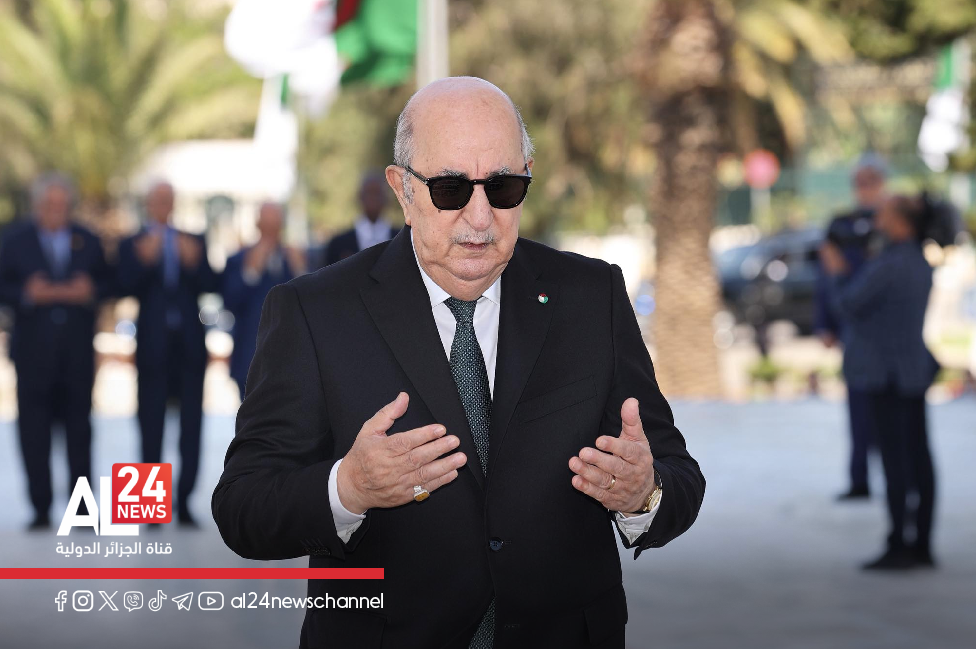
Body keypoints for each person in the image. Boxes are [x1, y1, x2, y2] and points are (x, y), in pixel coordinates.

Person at [213, 77, 705, 648]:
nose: (480, 217)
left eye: (503, 187)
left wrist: (643, 495)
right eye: (450, 189)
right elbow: (243, 507)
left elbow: (678, 476)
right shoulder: (314, 312)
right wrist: (348, 487)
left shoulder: (592, 298)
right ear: (402, 190)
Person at [821, 193, 940, 570]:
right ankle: (921, 543)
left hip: (887, 375)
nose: (876, 220)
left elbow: (848, 303)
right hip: (912, 372)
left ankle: (899, 544)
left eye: (884, 214)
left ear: (901, 222)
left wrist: (837, 270)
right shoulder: (918, 261)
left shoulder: (889, 264)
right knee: (919, 458)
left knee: (895, 462)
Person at [0, 173, 111, 530]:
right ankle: (40, 508)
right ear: (37, 206)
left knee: (80, 433)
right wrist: (28, 293)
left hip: (76, 355)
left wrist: (89, 290)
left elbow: (109, 282)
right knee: (33, 433)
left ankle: (82, 511)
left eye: (62, 206)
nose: (56, 212)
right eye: (50, 205)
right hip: (33, 355)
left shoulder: (88, 239)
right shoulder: (14, 240)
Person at [118, 181, 218, 526]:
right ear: (147, 203)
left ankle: (185, 504)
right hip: (152, 348)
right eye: (157, 199)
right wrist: (143, 261)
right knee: (150, 425)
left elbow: (211, 284)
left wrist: (193, 262)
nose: (162, 205)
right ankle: (148, 509)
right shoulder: (133, 243)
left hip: (189, 348)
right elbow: (121, 285)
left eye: (167, 199)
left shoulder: (193, 240)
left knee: (191, 427)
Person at [816, 154, 887, 500]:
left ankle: (897, 478)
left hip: (884, 331)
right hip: (853, 330)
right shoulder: (841, 225)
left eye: (871, 180)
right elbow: (826, 278)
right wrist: (824, 324)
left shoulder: (892, 221)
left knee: (889, 411)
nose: (865, 187)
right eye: (860, 181)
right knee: (858, 407)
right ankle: (860, 479)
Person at [222, 201, 304, 398]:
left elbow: (312, 307)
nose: (270, 232)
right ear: (257, 225)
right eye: (266, 225)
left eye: (274, 225)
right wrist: (250, 273)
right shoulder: (238, 260)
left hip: (293, 361)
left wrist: (302, 272)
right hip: (250, 361)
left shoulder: (296, 257)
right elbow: (230, 303)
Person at [319, 171, 399, 267]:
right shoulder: (338, 244)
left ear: (386, 198)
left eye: (377, 193)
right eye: (369, 193)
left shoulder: (401, 241)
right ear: (360, 197)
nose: (373, 199)